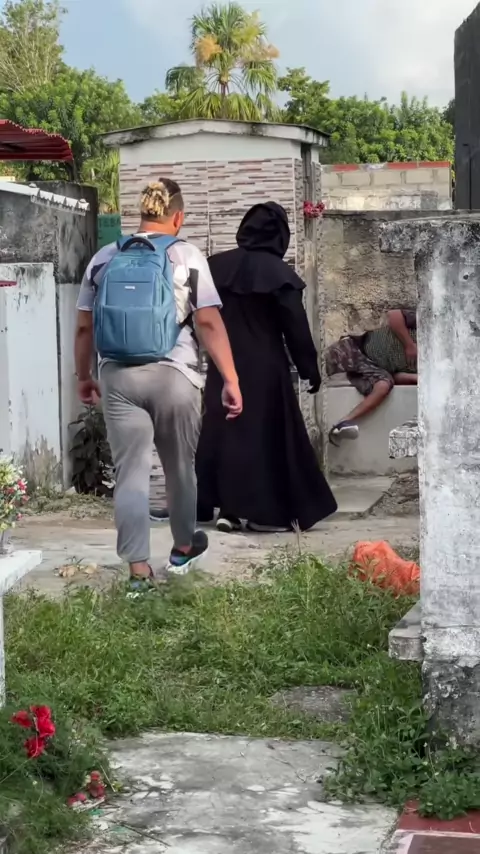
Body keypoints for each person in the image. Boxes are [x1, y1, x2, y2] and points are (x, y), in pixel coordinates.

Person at [74, 178, 242, 589]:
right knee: (179, 467)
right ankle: (183, 547)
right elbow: (208, 322)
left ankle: (138, 572)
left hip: (118, 376)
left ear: (142, 213)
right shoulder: (186, 256)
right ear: (177, 217)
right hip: (175, 375)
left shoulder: (104, 257)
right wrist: (231, 378)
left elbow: (83, 327)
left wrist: (84, 376)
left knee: (130, 472)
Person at [193, 201, 337, 533]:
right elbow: (295, 326)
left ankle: (225, 510)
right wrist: (309, 368)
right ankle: (261, 513)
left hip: (223, 367)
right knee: (265, 439)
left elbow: (196, 316)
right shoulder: (278, 274)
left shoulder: (215, 267)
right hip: (265, 371)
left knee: (225, 436)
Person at [325, 308, 417, 445]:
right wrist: (409, 345)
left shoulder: (440, 367)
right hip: (358, 348)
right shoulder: (430, 324)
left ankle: (342, 423)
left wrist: (416, 378)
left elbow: (396, 376)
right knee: (320, 366)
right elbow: (394, 315)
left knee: (384, 386)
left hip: (376, 369)